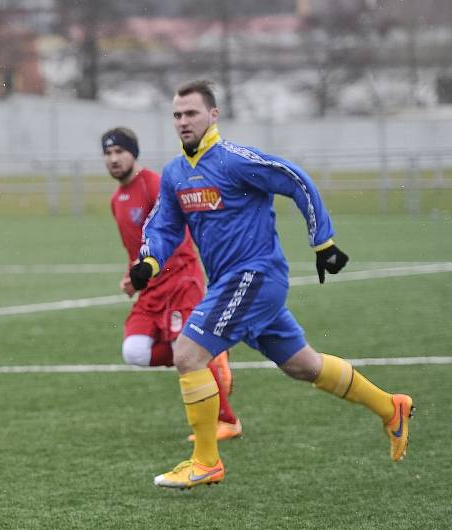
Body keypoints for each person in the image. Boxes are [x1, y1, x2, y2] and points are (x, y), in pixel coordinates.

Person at [129, 80, 414, 489]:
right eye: (176, 115)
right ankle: (391, 407)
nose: (183, 121)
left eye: (191, 112)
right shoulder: (176, 173)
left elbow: (295, 180)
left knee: (188, 354)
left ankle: (205, 460)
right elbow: (164, 225)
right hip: (235, 284)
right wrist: (149, 261)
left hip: (255, 276)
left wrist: (324, 242)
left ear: (213, 115)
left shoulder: (233, 160)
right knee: (304, 366)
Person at [103, 127, 242, 442]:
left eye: (119, 152)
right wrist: (132, 276)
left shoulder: (154, 184)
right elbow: (134, 247)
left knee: (186, 350)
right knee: (134, 351)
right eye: (108, 154)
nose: (113, 159)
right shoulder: (117, 199)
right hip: (151, 288)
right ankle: (211, 355)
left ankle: (227, 420)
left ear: (133, 153)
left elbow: (171, 232)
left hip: (180, 280)